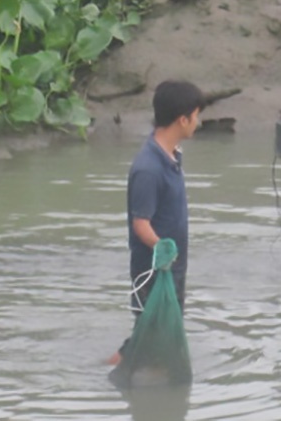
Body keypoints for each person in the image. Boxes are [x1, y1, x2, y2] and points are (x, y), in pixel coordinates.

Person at [108, 79, 205, 365]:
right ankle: (104, 374)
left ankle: (151, 383)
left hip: (171, 266)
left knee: (155, 337)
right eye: (196, 116)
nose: (198, 123)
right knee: (146, 338)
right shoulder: (148, 168)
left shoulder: (172, 156)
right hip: (152, 270)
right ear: (182, 119)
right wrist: (161, 247)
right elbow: (141, 223)